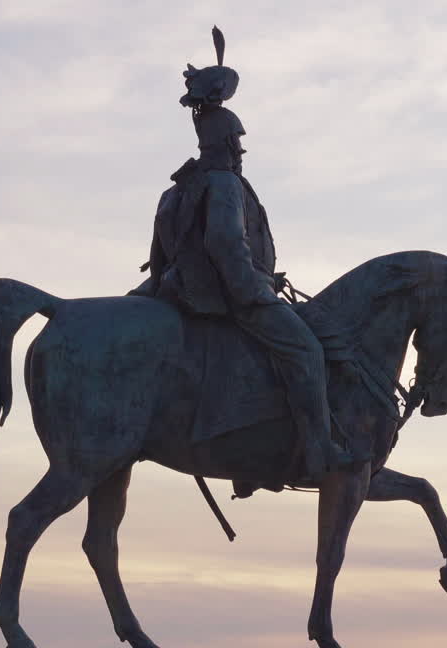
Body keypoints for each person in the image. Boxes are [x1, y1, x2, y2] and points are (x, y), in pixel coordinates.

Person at [132, 28, 350, 488]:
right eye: (239, 143)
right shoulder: (225, 185)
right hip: (230, 296)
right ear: (229, 143)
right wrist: (258, 290)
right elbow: (226, 247)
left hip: (176, 292)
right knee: (306, 349)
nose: (241, 151)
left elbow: (158, 256)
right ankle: (318, 448)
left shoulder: (177, 188)